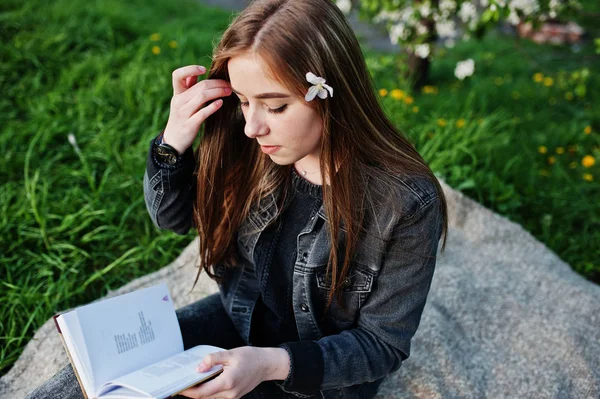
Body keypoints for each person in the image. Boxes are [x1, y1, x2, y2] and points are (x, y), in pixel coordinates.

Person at [28, 0, 447, 398]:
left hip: (316, 373)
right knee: (96, 383)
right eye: (245, 101)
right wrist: (173, 142)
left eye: (276, 106)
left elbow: (381, 345)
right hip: (239, 320)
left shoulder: (405, 202)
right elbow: (173, 218)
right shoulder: (251, 149)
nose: (252, 127)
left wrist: (267, 364)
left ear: (332, 95)